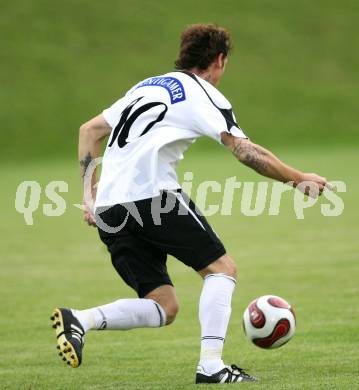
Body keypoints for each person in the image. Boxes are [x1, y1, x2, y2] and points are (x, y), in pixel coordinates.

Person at [50, 23, 328, 384]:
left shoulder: (145, 86)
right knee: (221, 270)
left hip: (111, 210)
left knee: (164, 305)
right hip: (152, 197)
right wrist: (298, 178)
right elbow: (245, 150)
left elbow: (89, 131)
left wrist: (90, 197)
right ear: (219, 60)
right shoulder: (202, 92)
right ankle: (211, 366)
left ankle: (79, 320)